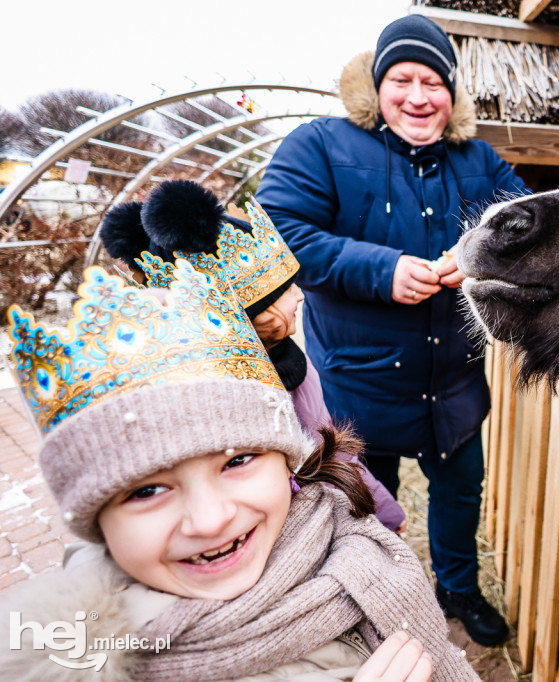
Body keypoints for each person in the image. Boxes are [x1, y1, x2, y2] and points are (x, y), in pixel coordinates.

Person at [0, 259, 478, 681]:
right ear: (96, 520)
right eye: (145, 491)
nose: (210, 520)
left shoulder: (352, 538)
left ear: (288, 460)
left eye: (238, 461)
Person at [255, 14, 529, 646]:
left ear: (452, 94)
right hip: (357, 390)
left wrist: (481, 252)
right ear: (376, 86)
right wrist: (380, 269)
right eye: (401, 78)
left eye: (433, 81)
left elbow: (527, 222)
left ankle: (458, 589)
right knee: (361, 512)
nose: (417, 95)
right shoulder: (321, 145)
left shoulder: (478, 160)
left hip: (453, 387)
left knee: (460, 498)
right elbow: (278, 229)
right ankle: (375, 599)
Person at [97, 179, 406, 533]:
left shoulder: (290, 363)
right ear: (253, 312)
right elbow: (334, 457)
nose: (300, 296)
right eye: (285, 288)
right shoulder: (232, 393)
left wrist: (385, 511)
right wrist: (387, 515)